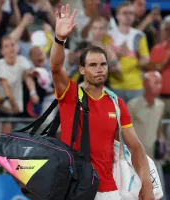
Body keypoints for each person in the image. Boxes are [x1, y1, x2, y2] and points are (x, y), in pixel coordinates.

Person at [49, 4, 154, 200]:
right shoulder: (70, 94)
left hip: (109, 190)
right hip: (73, 188)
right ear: (81, 70)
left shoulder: (116, 103)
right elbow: (55, 67)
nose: (99, 69)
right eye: (93, 65)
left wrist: (146, 186)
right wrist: (60, 39)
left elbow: (136, 146)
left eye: (103, 64)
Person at [127, 71, 166, 199]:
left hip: (155, 159)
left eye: (160, 82)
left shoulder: (161, 105)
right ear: (145, 84)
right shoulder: (132, 106)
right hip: (137, 159)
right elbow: (123, 132)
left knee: (160, 195)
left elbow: (159, 128)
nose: (159, 86)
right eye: (156, 82)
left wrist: (162, 144)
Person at [0, 36, 39, 134]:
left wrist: (33, 93)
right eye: (6, 46)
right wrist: (13, 103)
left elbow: (28, 77)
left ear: (17, 47)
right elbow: (5, 86)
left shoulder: (22, 60)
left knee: (8, 136)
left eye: (13, 45)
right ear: (2, 51)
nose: (11, 48)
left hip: (13, 107)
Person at [108, 1, 150, 103]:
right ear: (118, 16)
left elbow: (146, 59)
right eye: (124, 13)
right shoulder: (108, 36)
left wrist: (139, 62)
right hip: (115, 86)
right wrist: (120, 55)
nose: (128, 16)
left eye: (131, 13)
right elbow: (106, 62)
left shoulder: (139, 36)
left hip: (136, 86)